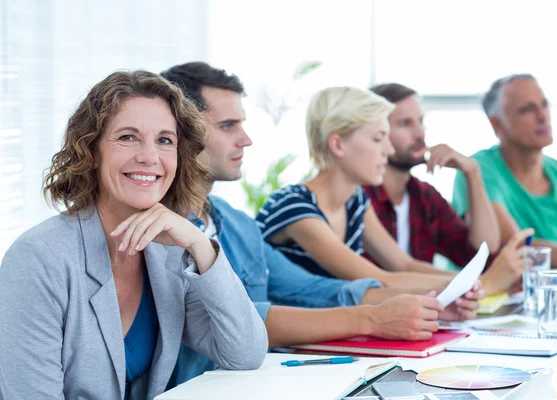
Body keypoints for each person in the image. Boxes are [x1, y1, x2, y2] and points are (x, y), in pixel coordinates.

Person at [161, 62, 482, 386]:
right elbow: (246, 319)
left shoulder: (238, 225)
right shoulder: (163, 233)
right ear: (184, 132)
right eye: (228, 125)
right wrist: (375, 318)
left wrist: (430, 302)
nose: (246, 140)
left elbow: (315, 291)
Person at [0, 71, 267, 399]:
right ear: (92, 149)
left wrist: (200, 245)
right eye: (128, 137)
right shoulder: (38, 259)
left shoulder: (169, 252)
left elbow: (244, 354)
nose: (149, 156)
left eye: (164, 140)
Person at [256, 86, 469, 293]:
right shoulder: (294, 206)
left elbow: (403, 265)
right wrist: (475, 285)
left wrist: (471, 281)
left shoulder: (355, 200)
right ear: (338, 145)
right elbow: (380, 280)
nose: (389, 149)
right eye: (378, 139)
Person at [365, 83, 532, 295]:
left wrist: (472, 172)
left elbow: (481, 251)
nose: (419, 133)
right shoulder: (359, 196)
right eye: (405, 124)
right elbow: (400, 268)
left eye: (421, 121)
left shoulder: (424, 196)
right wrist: (484, 282)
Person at [452, 74, 557, 268]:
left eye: (544, 105)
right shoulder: (476, 170)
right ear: (496, 124)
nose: (543, 116)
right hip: (486, 295)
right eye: (527, 110)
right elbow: (516, 246)